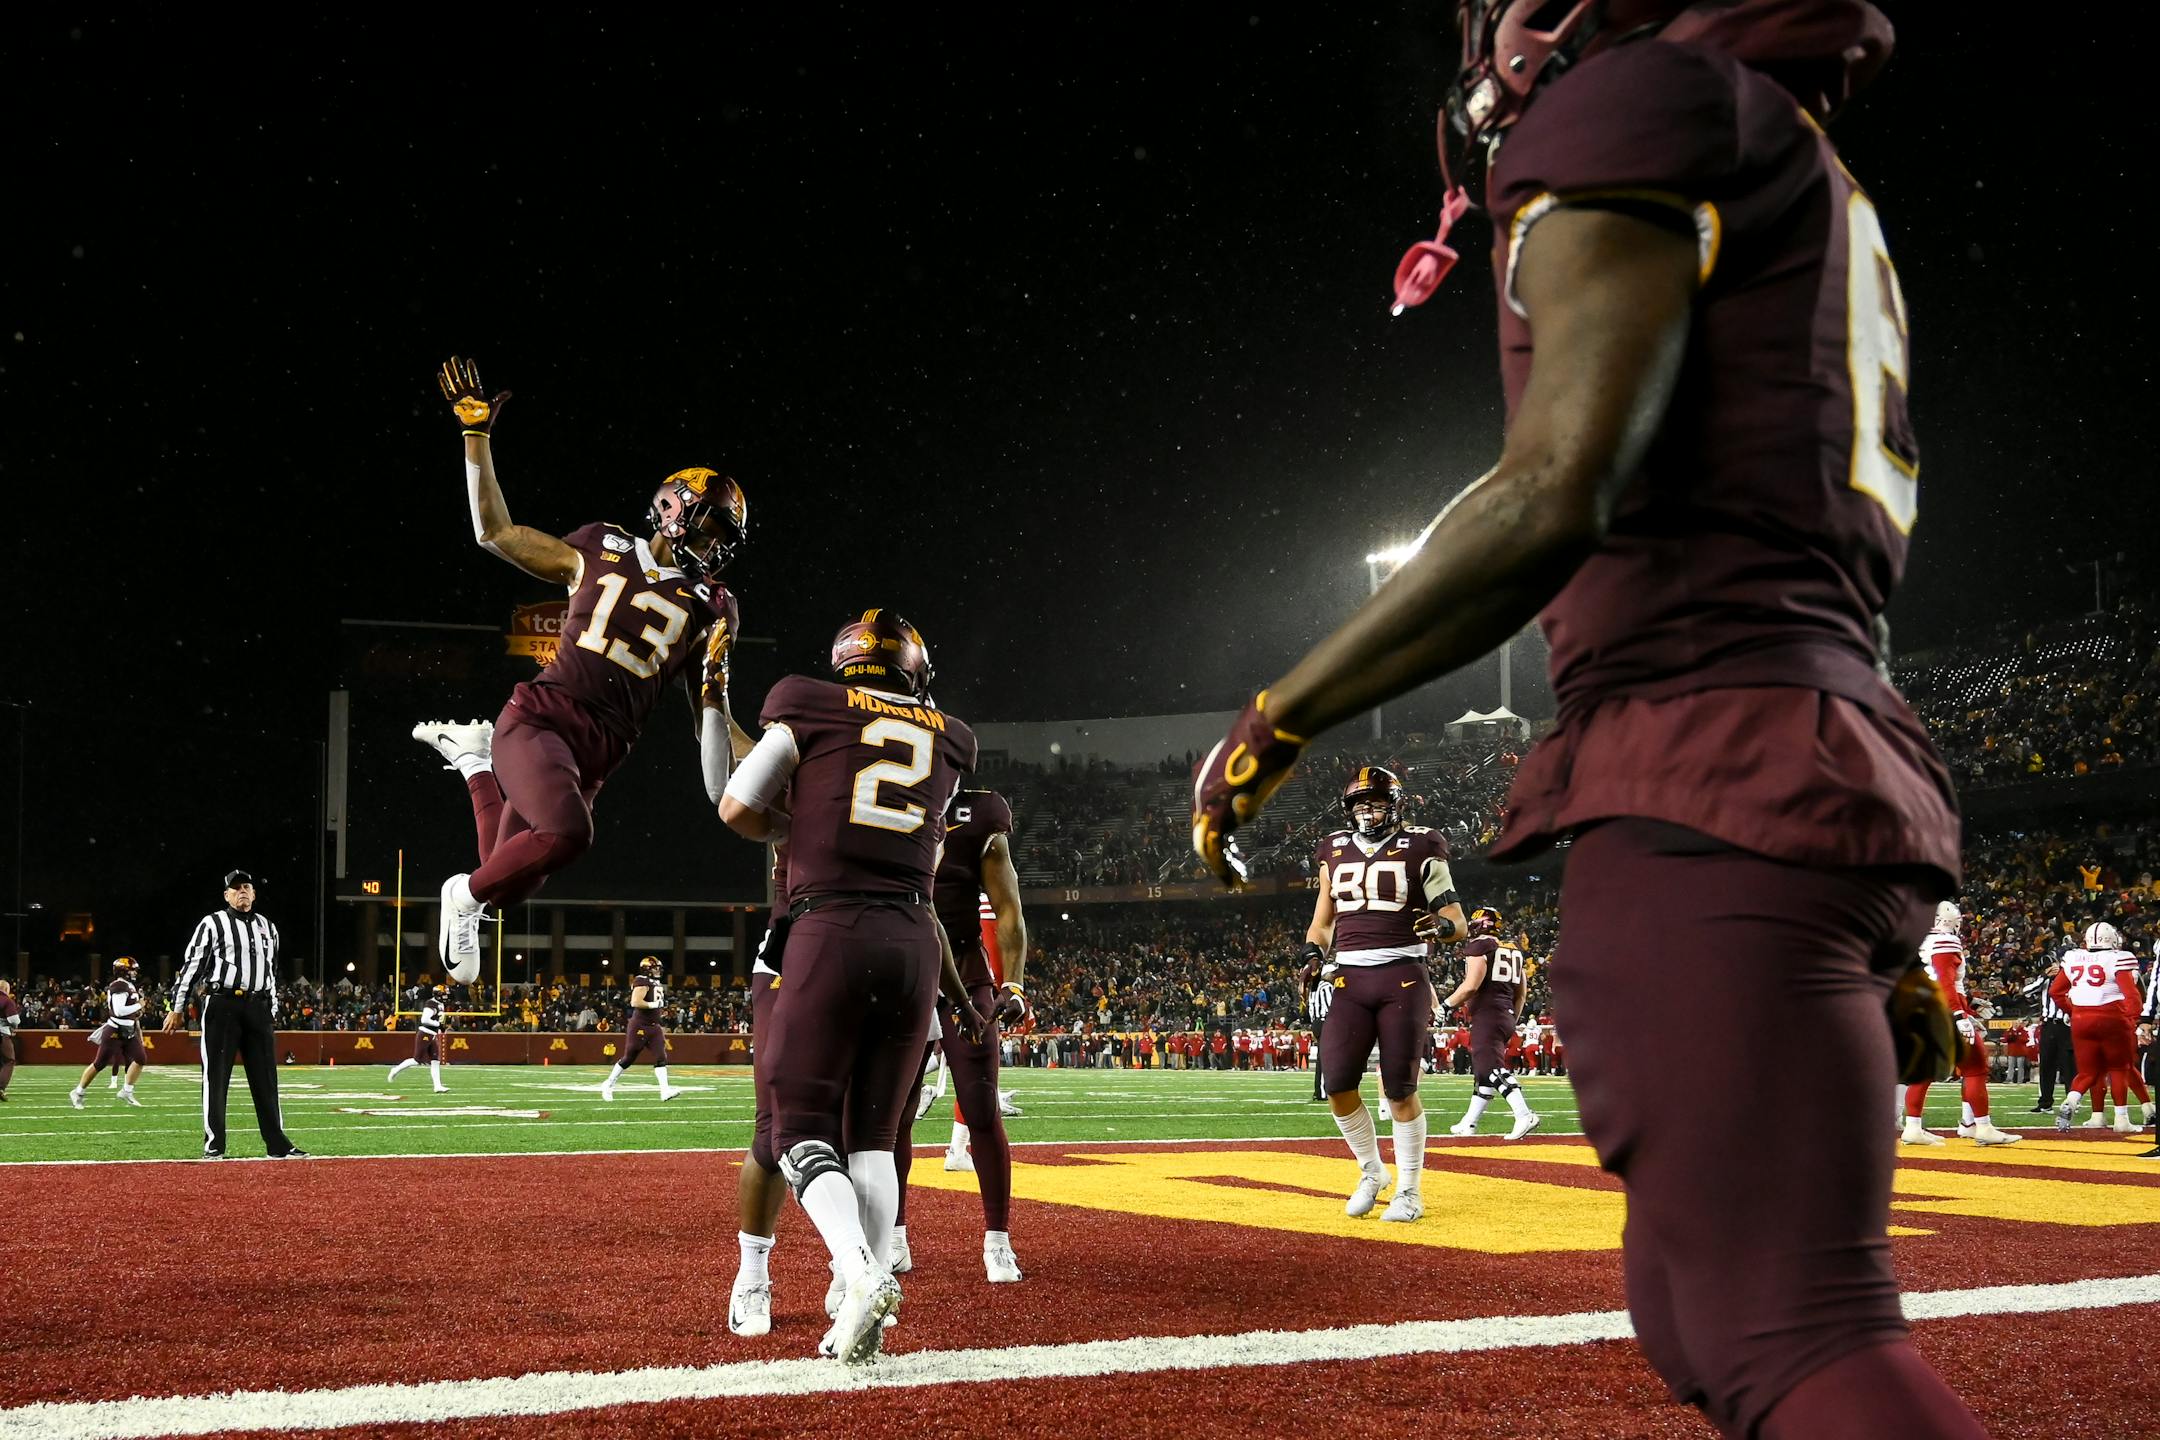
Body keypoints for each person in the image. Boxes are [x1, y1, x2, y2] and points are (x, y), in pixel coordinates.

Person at [1190, 6, 1983, 1436]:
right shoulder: (1787, 146)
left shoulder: (1645, 104)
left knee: (1782, 1332)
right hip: (1805, 766)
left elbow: (1558, 485)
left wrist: (1279, 717)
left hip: (1708, 765)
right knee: (1699, 1315)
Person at [418, 356, 753, 982]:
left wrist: (777, 761)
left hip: (598, 753)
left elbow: (714, 716)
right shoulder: (602, 547)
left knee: (510, 883)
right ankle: (460, 895)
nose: (715, 548)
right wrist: (476, 434)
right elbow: (495, 531)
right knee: (568, 834)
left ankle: (473, 764)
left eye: (722, 538)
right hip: (542, 719)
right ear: (672, 509)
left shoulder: (714, 607)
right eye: (709, 529)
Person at [718, 610, 980, 1363]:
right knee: (872, 1139)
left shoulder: (808, 701)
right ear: (914, 666)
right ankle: (857, 1283)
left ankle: (857, 1273)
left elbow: (738, 806)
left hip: (830, 930)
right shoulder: (952, 734)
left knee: (794, 1128)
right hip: (914, 939)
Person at [1302, 766, 1466, 1224]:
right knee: (1337, 1085)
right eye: (1359, 804)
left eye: (1374, 802)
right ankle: (1372, 1171)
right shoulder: (1333, 849)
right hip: (1349, 979)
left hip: (1403, 977)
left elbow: (1457, 919)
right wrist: (1311, 955)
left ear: (1395, 804)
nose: (1366, 811)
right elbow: (1323, 921)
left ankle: (1410, 1189)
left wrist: (1444, 927)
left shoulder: (1423, 844)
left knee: (1399, 1089)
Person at [895, 785, 1029, 1283]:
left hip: (966, 970)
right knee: (893, 1112)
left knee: (980, 1103)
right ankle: (894, 1237)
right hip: (903, 967)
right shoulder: (882, 795)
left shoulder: (978, 812)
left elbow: (1007, 903)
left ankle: (997, 1239)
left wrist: (1013, 981)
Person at [166, 871, 306, 1159]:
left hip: (258, 1006)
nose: (242, 892)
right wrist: (177, 1007)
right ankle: (214, 1144)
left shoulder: (268, 927)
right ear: (226, 895)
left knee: (266, 1078)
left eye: (247, 887)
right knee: (216, 1076)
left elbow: (271, 971)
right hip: (223, 1005)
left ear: (254, 894)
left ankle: (277, 1143)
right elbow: (192, 965)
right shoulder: (213, 923)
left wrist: (273, 1008)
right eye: (235, 888)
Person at [1899, 902, 2019, 1146]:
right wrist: (1959, 1015)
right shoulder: (1945, 941)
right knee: (1976, 1067)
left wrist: (1970, 1005)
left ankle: (1913, 1127)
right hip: (1945, 1012)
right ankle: (1981, 1126)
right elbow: (1945, 982)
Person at [1443, 909, 1538, 1139]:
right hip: (1504, 1015)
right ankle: (1470, 1123)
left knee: (1491, 1069)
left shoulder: (1480, 947)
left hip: (1488, 1015)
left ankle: (1524, 1114)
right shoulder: (1514, 950)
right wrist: (1509, 1020)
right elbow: (1522, 994)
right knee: (1483, 1073)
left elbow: (1470, 986)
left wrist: (1445, 1006)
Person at [2051, 923, 2145, 1134]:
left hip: (2081, 1018)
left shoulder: (2074, 957)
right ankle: (2121, 1119)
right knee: (2119, 1069)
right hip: (2111, 1016)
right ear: (2111, 939)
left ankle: (2071, 1100)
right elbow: (2132, 995)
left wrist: (2073, 1011)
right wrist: (2133, 1019)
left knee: (2088, 1072)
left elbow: (2056, 991)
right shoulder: (2118, 957)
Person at [71, 956, 148, 1109]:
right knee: (99, 1063)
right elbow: (119, 1011)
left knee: (140, 1058)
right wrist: (139, 1006)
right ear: (124, 971)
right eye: (132, 970)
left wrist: (139, 1028)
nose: (135, 973)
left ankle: (126, 1091)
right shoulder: (118, 985)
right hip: (115, 1030)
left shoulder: (128, 985)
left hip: (129, 1030)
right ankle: (78, 1092)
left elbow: (131, 1013)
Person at [600, 957, 680, 1102]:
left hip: (654, 1026)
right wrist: (654, 1005)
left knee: (661, 1057)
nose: (658, 970)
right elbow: (635, 1001)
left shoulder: (655, 982)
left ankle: (665, 1091)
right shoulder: (641, 980)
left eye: (658, 968)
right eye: (654, 968)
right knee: (629, 1058)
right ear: (646, 969)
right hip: (640, 1025)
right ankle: (608, 1084)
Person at [2027, 960, 2075, 1113]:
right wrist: (2043, 977)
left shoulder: (2071, 979)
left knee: (2068, 1065)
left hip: (2066, 1025)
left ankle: (2072, 1101)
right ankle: (2045, 1102)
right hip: (2048, 1025)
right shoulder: (2044, 981)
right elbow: (2026, 991)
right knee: (2046, 1065)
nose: (2054, 969)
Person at [386, 983, 451, 1092]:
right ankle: (395, 1070)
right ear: (438, 994)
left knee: (435, 1061)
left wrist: (440, 1028)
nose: (445, 996)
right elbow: (425, 1019)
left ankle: (437, 1086)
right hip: (425, 1033)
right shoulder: (431, 1003)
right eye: (443, 994)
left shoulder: (440, 1004)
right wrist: (437, 1024)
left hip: (433, 1035)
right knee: (417, 1060)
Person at [0, 978, 18, 1100]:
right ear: (6, 989)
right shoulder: (7, 1000)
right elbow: (14, 1020)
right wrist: (13, 1028)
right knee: (9, 1060)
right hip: (2, 1033)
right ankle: (0, 1088)